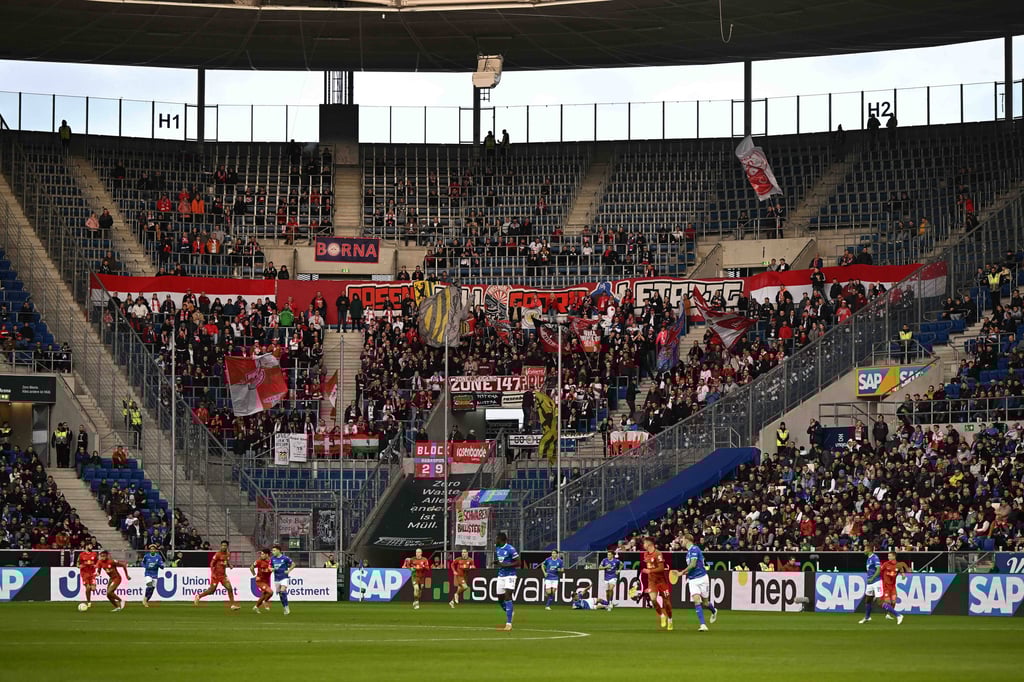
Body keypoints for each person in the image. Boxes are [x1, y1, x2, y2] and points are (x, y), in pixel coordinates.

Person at [683, 533, 717, 631]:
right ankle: (703, 625)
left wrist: (682, 571)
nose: (682, 541)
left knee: (705, 603)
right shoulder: (687, 553)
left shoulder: (695, 549)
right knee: (697, 600)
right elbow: (691, 567)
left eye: (683, 539)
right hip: (693, 580)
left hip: (702, 578)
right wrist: (687, 573)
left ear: (687, 540)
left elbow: (693, 564)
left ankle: (714, 611)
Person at [193, 540, 240, 610]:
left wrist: (229, 565)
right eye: (222, 545)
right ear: (221, 546)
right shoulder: (217, 554)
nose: (223, 547)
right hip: (216, 575)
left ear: (227, 546)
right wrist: (213, 573)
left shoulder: (228, 554)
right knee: (212, 591)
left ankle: (232, 605)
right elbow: (211, 564)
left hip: (223, 575)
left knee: (229, 588)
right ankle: (199, 596)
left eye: (225, 546)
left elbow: (226, 561)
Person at [642, 537, 672, 631]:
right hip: (652, 581)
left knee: (666, 603)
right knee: (653, 599)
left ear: (649, 544)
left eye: (644, 543)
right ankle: (662, 615)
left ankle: (670, 620)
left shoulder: (658, 553)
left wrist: (649, 571)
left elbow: (661, 568)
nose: (643, 545)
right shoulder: (645, 554)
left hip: (661, 581)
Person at [494, 531, 521, 631]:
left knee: (507, 596)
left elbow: (518, 562)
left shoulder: (510, 549)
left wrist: (506, 565)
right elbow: (502, 561)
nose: (495, 540)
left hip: (510, 576)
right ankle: (510, 611)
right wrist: (498, 563)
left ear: (501, 540)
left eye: (496, 538)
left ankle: (508, 623)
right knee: (500, 599)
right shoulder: (497, 548)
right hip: (501, 575)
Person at [859, 542, 888, 624]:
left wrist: (872, 578)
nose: (863, 550)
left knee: (879, 602)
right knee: (867, 600)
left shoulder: (875, 558)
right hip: (870, 583)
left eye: (865, 549)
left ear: (869, 549)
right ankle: (867, 617)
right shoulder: (868, 558)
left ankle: (897, 615)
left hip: (876, 581)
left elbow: (878, 570)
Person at [879, 551, 905, 625]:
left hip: (893, 586)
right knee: (887, 602)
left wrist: (903, 575)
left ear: (894, 556)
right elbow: (880, 571)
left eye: (890, 556)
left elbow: (901, 571)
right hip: (886, 586)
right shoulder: (885, 564)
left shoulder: (898, 565)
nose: (888, 557)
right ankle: (898, 615)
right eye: (888, 556)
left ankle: (888, 614)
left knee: (893, 602)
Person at [270, 544, 295, 616]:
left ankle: (287, 607)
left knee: (283, 591)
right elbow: (270, 566)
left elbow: (293, 564)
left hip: (284, 577)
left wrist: (289, 570)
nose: (273, 552)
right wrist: (271, 569)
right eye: (272, 551)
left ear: (278, 550)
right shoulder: (272, 559)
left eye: (274, 550)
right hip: (276, 578)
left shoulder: (285, 558)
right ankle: (284, 606)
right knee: (280, 595)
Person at [77, 542, 99, 610]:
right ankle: (89, 602)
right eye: (90, 545)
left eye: (92, 546)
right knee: (88, 587)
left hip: (92, 573)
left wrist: (96, 566)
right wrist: (79, 566)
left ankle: (89, 599)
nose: (91, 547)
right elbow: (78, 564)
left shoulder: (94, 554)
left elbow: (98, 562)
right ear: (86, 546)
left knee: (93, 588)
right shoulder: (81, 555)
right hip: (84, 573)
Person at [141, 543, 164, 607]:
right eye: (151, 549)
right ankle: (145, 598)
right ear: (150, 550)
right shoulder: (146, 556)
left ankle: (146, 601)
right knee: (149, 585)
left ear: (155, 550)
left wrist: (159, 565)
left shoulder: (158, 557)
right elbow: (142, 562)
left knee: (152, 589)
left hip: (155, 574)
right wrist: (145, 566)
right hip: (148, 573)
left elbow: (162, 566)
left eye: (153, 549)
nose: (152, 550)